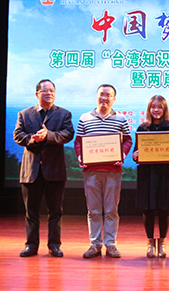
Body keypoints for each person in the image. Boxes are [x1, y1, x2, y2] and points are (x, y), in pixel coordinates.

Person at [13, 79, 74, 258]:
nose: (49, 93)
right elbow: (18, 135)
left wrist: (48, 136)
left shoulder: (64, 114)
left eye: (52, 91)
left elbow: (68, 134)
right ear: (37, 94)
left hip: (54, 170)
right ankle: (31, 245)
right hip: (31, 171)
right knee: (31, 212)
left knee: (55, 211)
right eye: (45, 91)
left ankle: (54, 245)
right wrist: (34, 139)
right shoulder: (24, 114)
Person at [74, 84, 132, 259]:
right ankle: (95, 244)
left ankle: (111, 244)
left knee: (111, 210)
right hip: (91, 171)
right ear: (96, 96)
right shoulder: (84, 118)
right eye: (101, 94)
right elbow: (78, 141)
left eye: (108, 95)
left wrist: (122, 154)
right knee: (93, 210)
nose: (104, 98)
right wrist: (80, 157)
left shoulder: (121, 119)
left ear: (114, 99)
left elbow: (128, 140)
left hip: (113, 171)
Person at [132, 95, 169, 258]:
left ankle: (162, 242)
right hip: (148, 174)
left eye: (160, 107)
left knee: (164, 208)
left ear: (164, 109)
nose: (156, 110)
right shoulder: (142, 128)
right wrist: (135, 155)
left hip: (166, 174)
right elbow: (136, 152)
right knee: (148, 209)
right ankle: (150, 242)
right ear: (149, 109)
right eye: (153, 107)